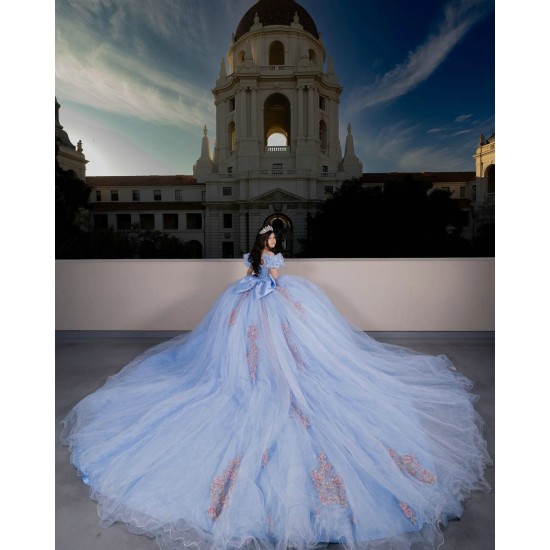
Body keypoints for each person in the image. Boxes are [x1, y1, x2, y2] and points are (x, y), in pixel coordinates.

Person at [61, 225, 491, 550]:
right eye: (267, 240)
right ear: (261, 242)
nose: (270, 244)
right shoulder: (254, 261)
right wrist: (255, 282)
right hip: (250, 302)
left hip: (274, 301)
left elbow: (276, 278)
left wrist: (268, 282)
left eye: (272, 241)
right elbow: (255, 275)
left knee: (290, 351)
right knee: (242, 354)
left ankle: (285, 376)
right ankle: (252, 377)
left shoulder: (277, 261)